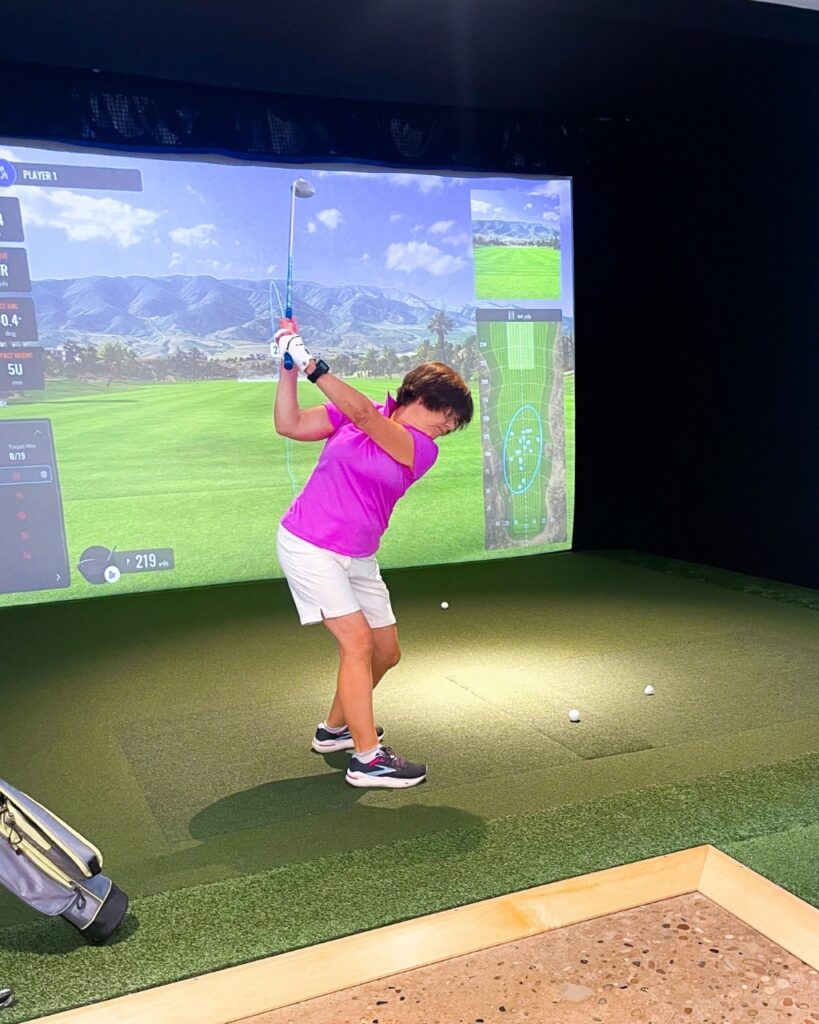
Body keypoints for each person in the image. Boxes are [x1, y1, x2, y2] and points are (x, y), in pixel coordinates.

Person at [272, 318, 473, 789]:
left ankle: (334, 731)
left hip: (358, 557)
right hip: (309, 545)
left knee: (386, 651)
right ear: (424, 398)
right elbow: (290, 424)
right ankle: (367, 759)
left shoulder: (419, 449)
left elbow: (366, 418)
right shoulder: (362, 413)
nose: (449, 427)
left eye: (455, 424)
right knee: (358, 643)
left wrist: (311, 364)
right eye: (449, 415)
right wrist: (287, 365)